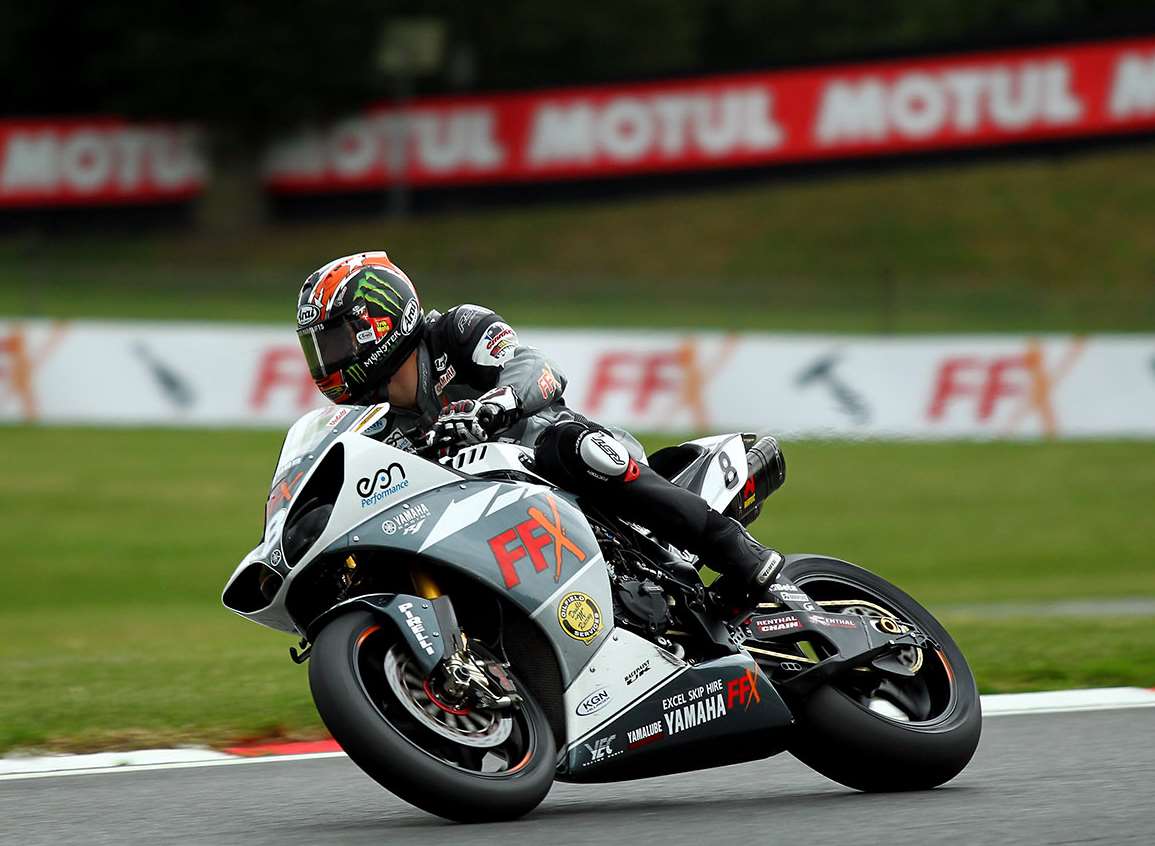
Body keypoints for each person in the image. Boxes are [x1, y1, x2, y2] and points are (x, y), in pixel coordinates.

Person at [295, 251, 782, 608]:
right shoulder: (378, 427)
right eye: (318, 348)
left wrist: (495, 406)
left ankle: (736, 549)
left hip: (553, 462)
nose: (326, 361)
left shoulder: (456, 330)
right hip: (490, 519)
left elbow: (536, 367)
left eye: (333, 341)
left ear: (374, 323)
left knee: (573, 448)